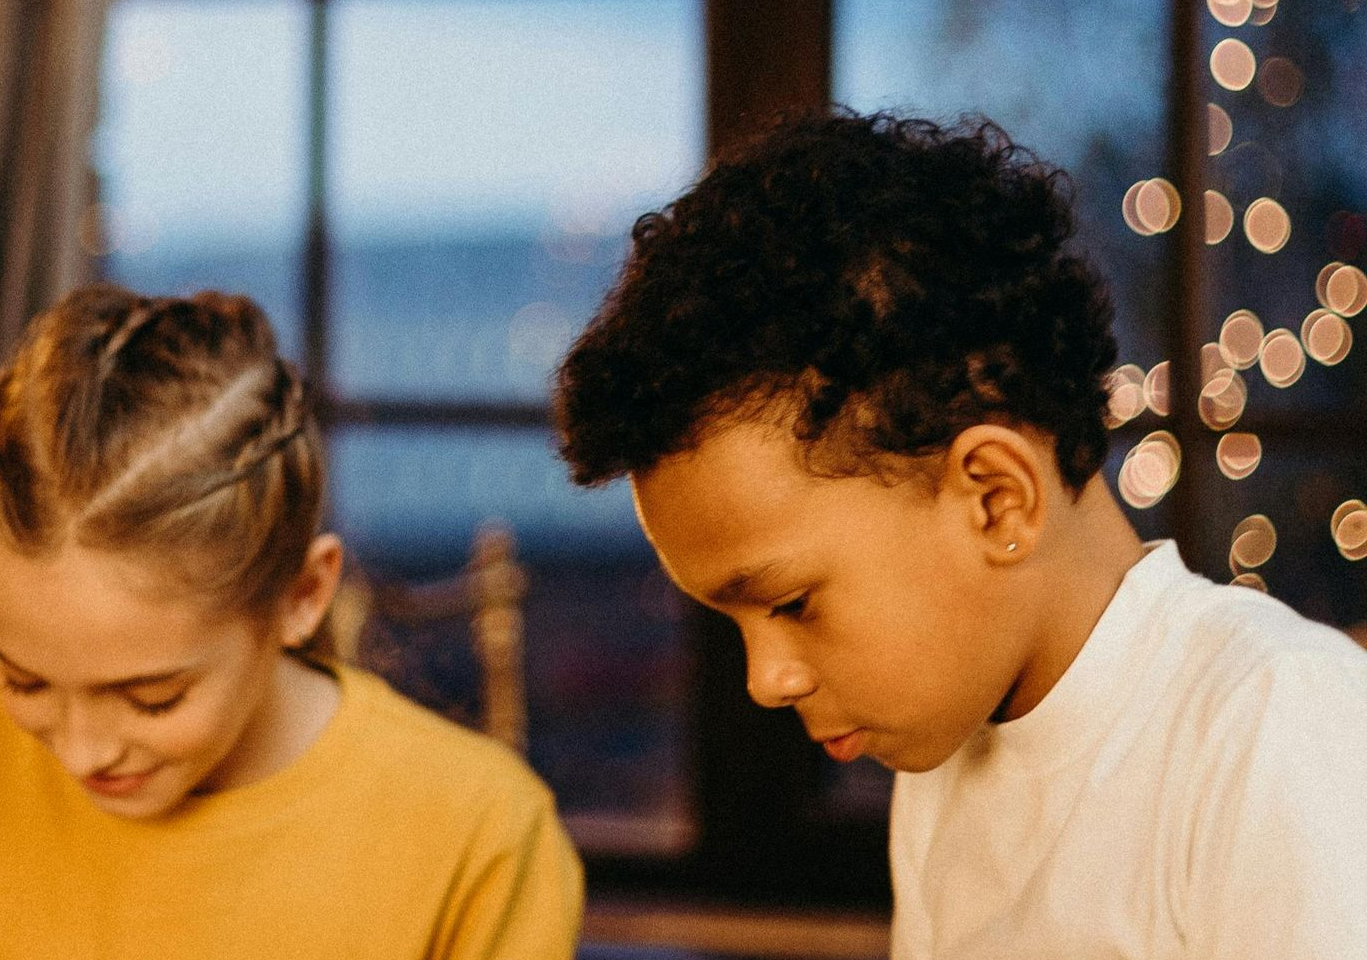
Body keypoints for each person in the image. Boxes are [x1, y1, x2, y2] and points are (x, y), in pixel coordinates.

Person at [552, 111, 1367, 958]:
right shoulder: (945, 751)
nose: (767, 682)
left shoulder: (1276, 730)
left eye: (792, 603)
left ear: (996, 502)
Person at [0, 284, 582, 960]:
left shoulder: (479, 834)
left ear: (302, 595)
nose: (83, 752)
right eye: (23, 680)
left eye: (153, 697)